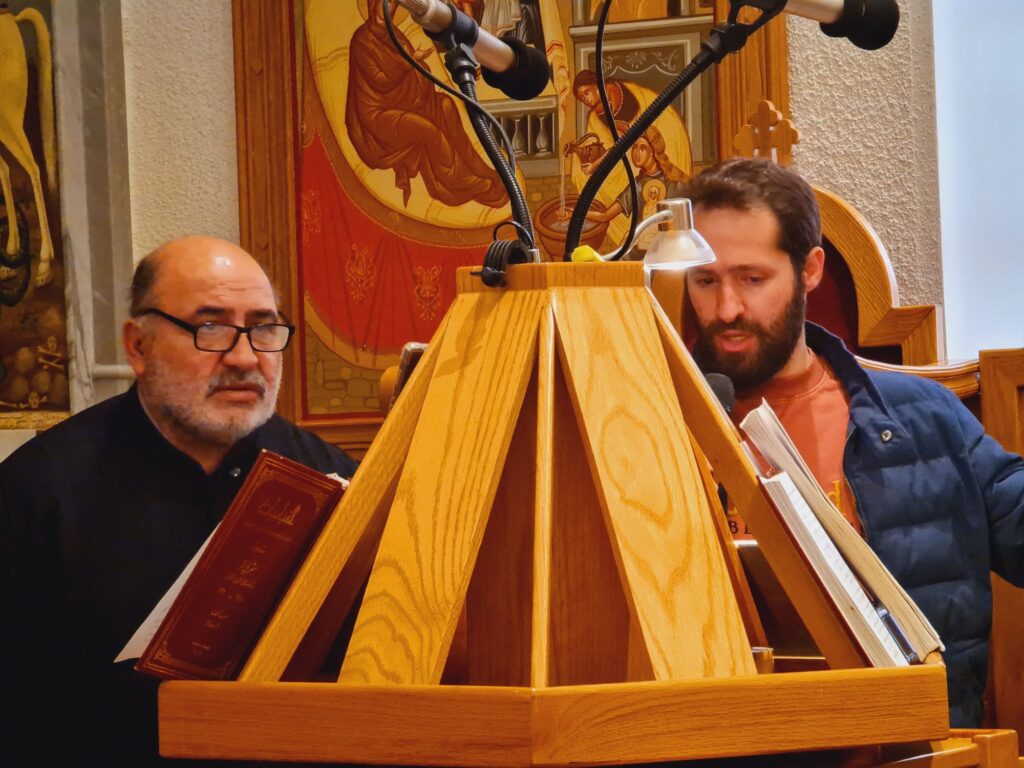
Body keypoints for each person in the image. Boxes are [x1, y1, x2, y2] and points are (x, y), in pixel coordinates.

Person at [681, 157, 1024, 727]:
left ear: (810, 270)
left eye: (752, 279)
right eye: (706, 280)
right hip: (719, 737)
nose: (727, 309)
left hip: (911, 744)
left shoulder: (925, 419)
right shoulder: (653, 422)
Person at [0, 236, 358, 764]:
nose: (245, 357)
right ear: (138, 347)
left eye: (263, 327)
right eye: (210, 328)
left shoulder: (330, 478)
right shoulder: (34, 494)